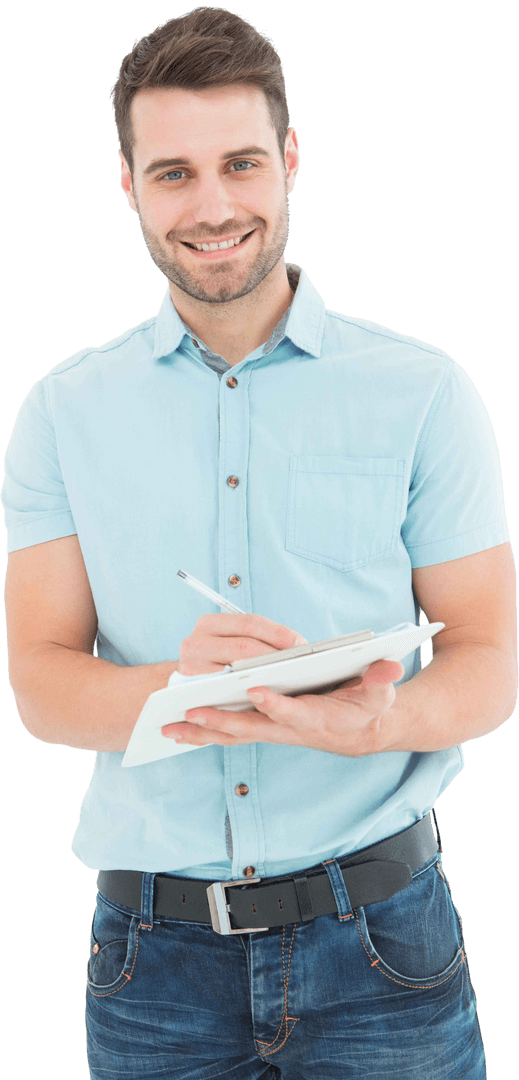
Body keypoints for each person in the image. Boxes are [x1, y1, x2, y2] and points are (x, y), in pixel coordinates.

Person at [2, 7, 516, 1078]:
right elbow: (44, 684)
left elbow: (488, 658)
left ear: (289, 161)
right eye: (176, 172)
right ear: (131, 185)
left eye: (241, 163)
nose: (215, 205)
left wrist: (381, 724)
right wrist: (169, 685)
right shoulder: (62, 411)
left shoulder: (423, 392)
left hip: (382, 944)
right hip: (153, 965)